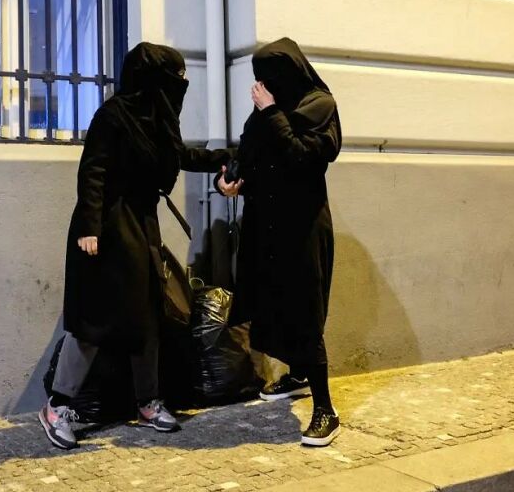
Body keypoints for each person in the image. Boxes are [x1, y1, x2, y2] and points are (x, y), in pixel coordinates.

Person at [39, 42, 228, 449]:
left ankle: (147, 402)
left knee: (147, 314)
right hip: (106, 226)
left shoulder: (159, 120)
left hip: (142, 224)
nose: (179, 86)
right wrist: (89, 227)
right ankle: (57, 406)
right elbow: (93, 172)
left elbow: (180, 157)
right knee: (92, 319)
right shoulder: (113, 115)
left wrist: (224, 158)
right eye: (174, 78)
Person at [217, 37, 343, 446]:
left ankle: (326, 410)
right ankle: (297, 375)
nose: (263, 85)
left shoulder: (319, 105)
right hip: (266, 225)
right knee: (272, 303)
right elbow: (250, 152)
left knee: (305, 311)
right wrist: (229, 181)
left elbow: (302, 157)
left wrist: (271, 112)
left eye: (270, 77)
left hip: (302, 227)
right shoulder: (269, 109)